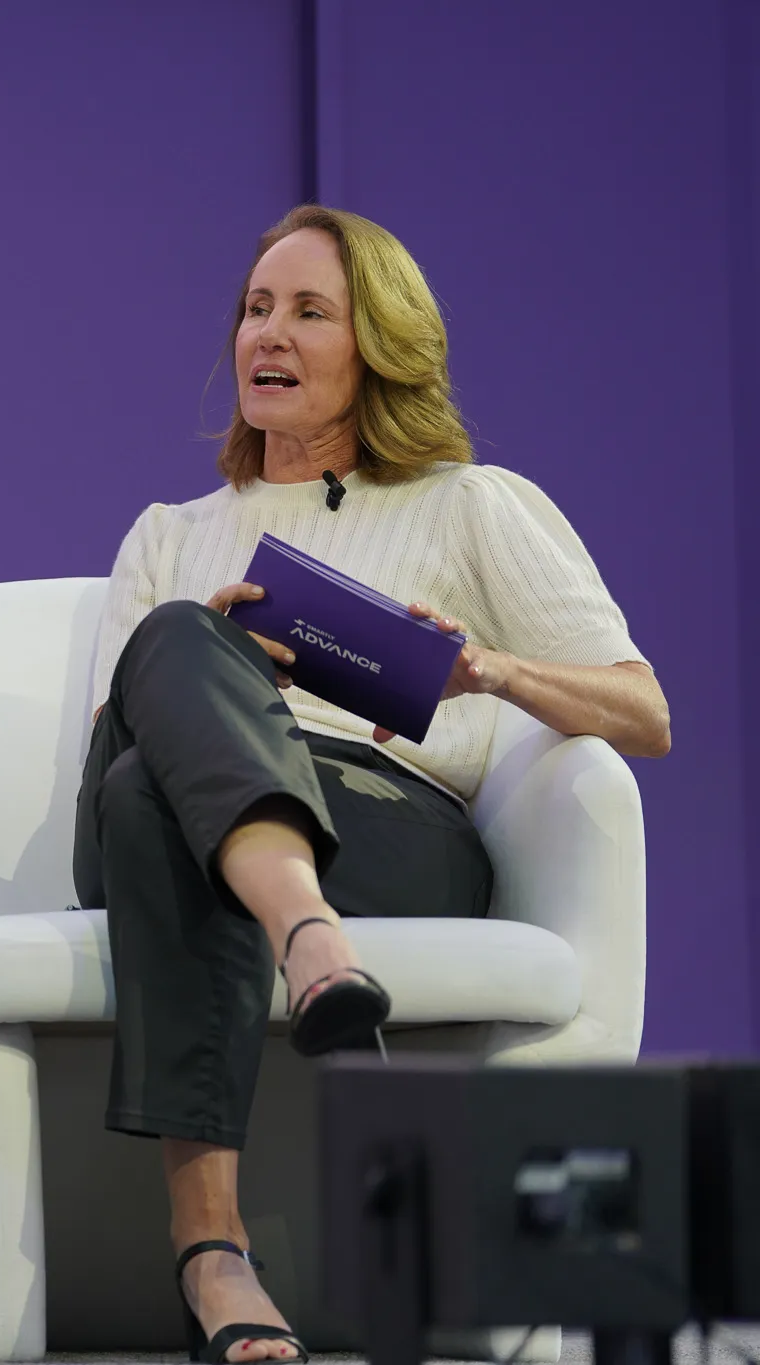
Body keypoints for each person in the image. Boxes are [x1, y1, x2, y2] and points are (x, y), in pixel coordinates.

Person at [74, 205, 669, 1364]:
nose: (267, 335)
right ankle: (307, 935)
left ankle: (211, 1254)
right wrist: (206, 652)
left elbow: (640, 710)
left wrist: (479, 669)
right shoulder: (165, 533)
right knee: (174, 675)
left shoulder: (469, 503)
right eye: (254, 309)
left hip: (383, 820)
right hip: (175, 803)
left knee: (156, 793)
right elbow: (115, 727)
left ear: (376, 348)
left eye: (307, 312)